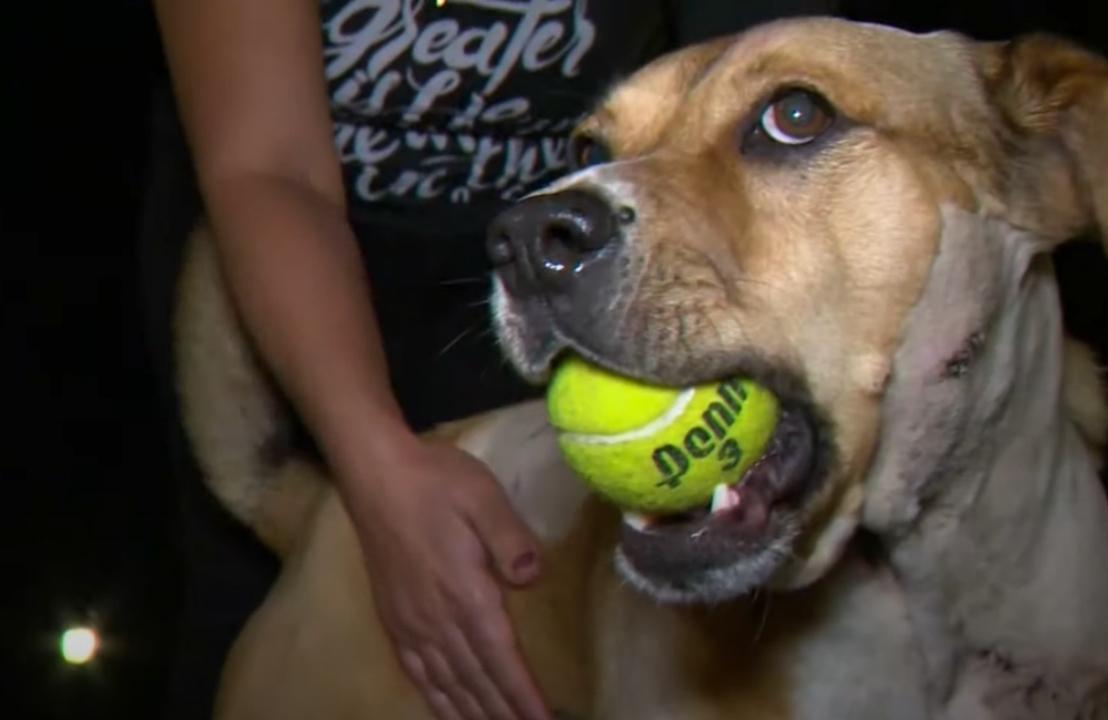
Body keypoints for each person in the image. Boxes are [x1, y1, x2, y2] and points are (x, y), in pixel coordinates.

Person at [145, 1, 838, 719]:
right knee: (271, 613)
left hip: (561, 252)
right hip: (299, 250)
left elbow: (778, 80)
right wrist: (377, 474)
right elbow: (269, 167)